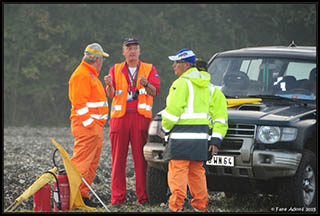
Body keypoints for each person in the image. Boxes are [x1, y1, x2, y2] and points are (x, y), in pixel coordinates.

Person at [162, 48, 228, 212]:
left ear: (186, 65)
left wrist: (164, 127)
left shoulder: (181, 83)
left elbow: (173, 111)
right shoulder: (208, 87)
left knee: (177, 172)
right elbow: (218, 117)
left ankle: (175, 208)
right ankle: (200, 206)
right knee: (197, 173)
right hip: (200, 139)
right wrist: (215, 140)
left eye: (176, 62)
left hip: (181, 138)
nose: (173, 66)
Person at [104, 37, 160, 206]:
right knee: (117, 160)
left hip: (140, 118)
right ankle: (117, 199)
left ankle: (143, 198)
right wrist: (108, 86)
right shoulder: (115, 69)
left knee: (141, 161)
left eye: (135, 48)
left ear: (139, 51)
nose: (132, 51)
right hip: (120, 119)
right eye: (129, 48)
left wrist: (146, 83)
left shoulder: (149, 68)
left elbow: (155, 91)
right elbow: (111, 94)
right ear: (124, 52)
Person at [68, 43, 110, 207]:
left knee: (90, 164)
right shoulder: (82, 75)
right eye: (102, 59)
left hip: (94, 127)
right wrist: (90, 125)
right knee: (81, 163)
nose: (102, 63)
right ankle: (73, 198)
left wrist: (94, 126)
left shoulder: (90, 74)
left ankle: (83, 195)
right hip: (87, 128)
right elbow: (79, 104)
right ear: (97, 60)